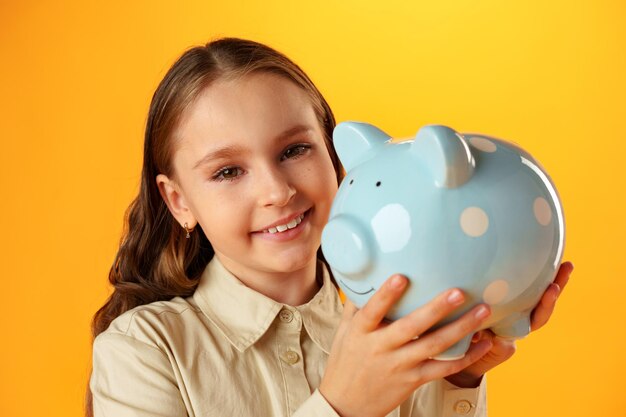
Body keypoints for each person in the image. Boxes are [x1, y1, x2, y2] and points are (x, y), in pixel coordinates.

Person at [87, 37, 574, 417]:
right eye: (228, 172)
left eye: (294, 150)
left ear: (337, 156)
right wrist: (343, 406)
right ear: (178, 201)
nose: (277, 192)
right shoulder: (144, 350)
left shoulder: (403, 328)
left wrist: (460, 377)